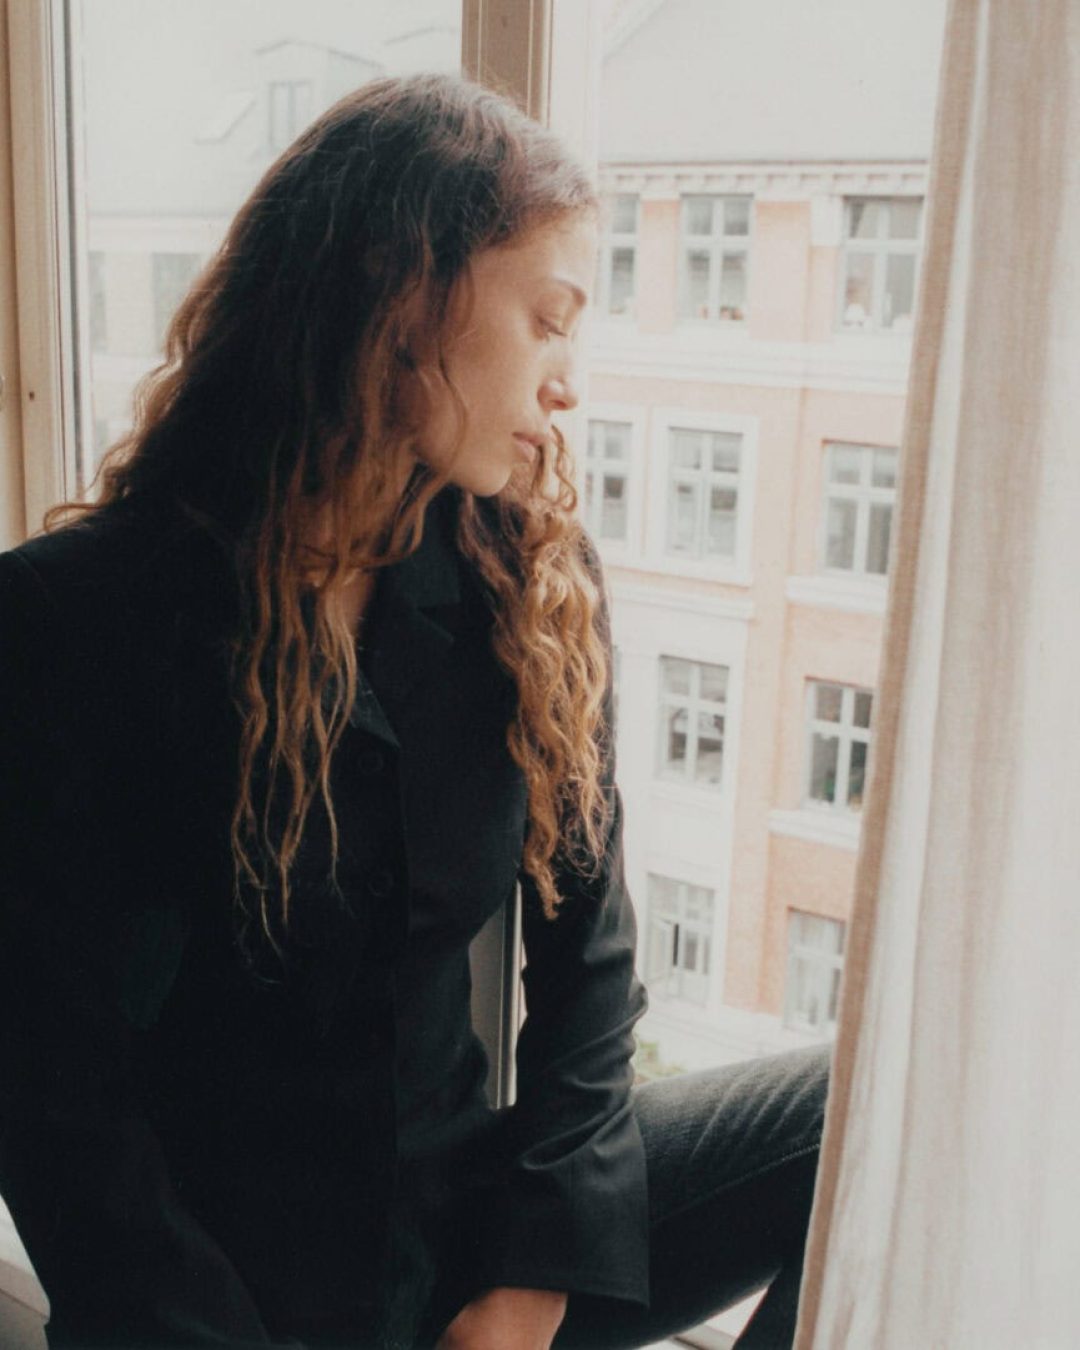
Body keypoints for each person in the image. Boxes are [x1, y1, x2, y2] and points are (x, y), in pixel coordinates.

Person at [0, 74, 828, 1350]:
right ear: (403, 301)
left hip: (481, 1237)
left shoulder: (524, 584)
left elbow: (591, 975)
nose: (569, 384)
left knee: (862, 1109)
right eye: (549, 322)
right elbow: (53, 1094)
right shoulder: (69, 622)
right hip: (229, 1297)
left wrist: (527, 1287)